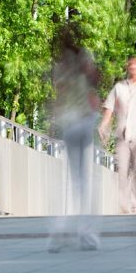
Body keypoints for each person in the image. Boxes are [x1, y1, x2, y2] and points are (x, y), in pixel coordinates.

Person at [48, 24, 102, 253]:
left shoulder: (60, 65)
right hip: (84, 120)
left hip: (70, 122)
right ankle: (85, 234)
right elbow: (96, 80)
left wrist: (53, 119)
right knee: (83, 179)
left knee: (73, 178)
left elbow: (59, 95)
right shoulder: (83, 56)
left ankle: (61, 231)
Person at [98, 56, 136, 214]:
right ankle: (124, 205)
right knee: (123, 171)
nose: (133, 70)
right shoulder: (119, 87)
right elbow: (109, 107)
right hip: (123, 135)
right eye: (130, 68)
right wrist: (104, 123)